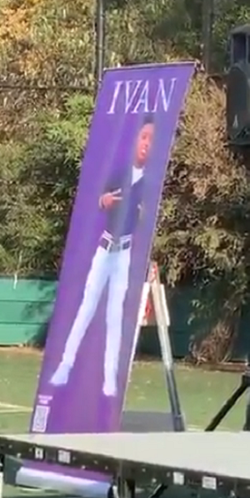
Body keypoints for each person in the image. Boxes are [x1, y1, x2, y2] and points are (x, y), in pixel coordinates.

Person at [49, 114, 155, 398]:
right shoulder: (119, 171)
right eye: (144, 137)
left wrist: (144, 217)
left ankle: (109, 379)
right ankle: (65, 365)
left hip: (124, 253)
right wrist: (103, 200)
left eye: (152, 140)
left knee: (114, 315)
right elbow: (96, 196)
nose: (147, 144)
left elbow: (148, 220)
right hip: (104, 249)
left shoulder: (150, 185)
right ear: (135, 140)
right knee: (86, 307)